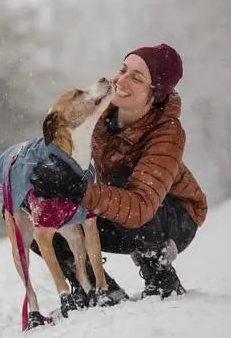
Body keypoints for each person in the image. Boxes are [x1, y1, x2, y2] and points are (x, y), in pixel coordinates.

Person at [30, 43, 207, 299]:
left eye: (136, 78)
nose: (121, 80)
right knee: (45, 224)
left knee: (129, 192)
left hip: (173, 215)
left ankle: (160, 277)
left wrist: (77, 189)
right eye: (123, 70)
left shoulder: (168, 132)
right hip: (120, 208)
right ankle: (99, 289)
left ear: (154, 93)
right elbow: (64, 135)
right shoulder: (101, 113)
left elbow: (141, 205)